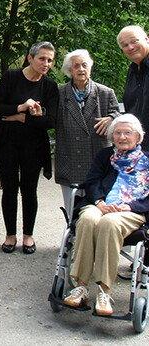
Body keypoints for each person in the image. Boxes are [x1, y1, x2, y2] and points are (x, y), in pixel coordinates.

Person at [63, 114, 149, 316]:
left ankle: (104, 291)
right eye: (117, 133)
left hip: (131, 210)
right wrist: (100, 202)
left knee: (109, 223)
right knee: (88, 219)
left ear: (139, 137)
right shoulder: (104, 156)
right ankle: (81, 287)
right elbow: (92, 181)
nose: (122, 137)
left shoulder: (147, 161)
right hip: (101, 204)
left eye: (128, 133)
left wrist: (130, 207)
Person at [0, 41, 59, 255]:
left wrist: (20, 118)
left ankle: (28, 235)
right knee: (9, 188)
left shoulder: (49, 86)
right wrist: (21, 107)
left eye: (49, 60)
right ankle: (10, 235)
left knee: (29, 190)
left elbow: (51, 121)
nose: (46, 63)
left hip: (34, 144)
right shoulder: (11, 77)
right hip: (8, 142)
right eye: (42, 59)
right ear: (30, 58)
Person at [55, 50, 120, 209]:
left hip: (96, 157)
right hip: (70, 159)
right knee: (72, 210)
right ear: (70, 70)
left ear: (90, 67)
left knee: (101, 206)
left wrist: (112, 119)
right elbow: (49, 117)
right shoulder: (59, 93)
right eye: (76, 66)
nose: (81, 69)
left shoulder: (105, 92)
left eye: (84, 65)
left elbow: (118, 116)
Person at [117, 26, 149, 150]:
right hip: (138, 149)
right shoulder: (132, 71)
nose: (130, 47)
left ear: (147, 39)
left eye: (134, 41)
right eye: (125, 45)